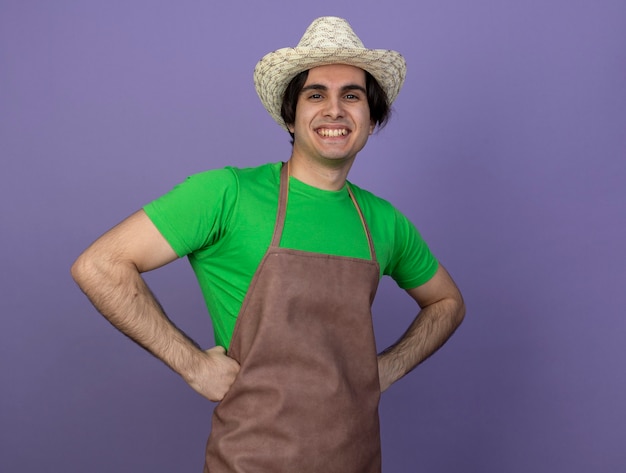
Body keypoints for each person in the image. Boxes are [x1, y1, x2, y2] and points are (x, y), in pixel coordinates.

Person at [71, 16, 465, 473]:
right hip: (251, 459)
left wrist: (387, 368)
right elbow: (100, 265)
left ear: (370, 119)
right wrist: (193, 365)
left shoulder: (384, 221)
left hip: (357, 459)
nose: (334, 110)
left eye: (351, 96)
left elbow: (447, 302)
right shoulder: (226, 194)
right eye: (315, 94)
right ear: (290, 115)